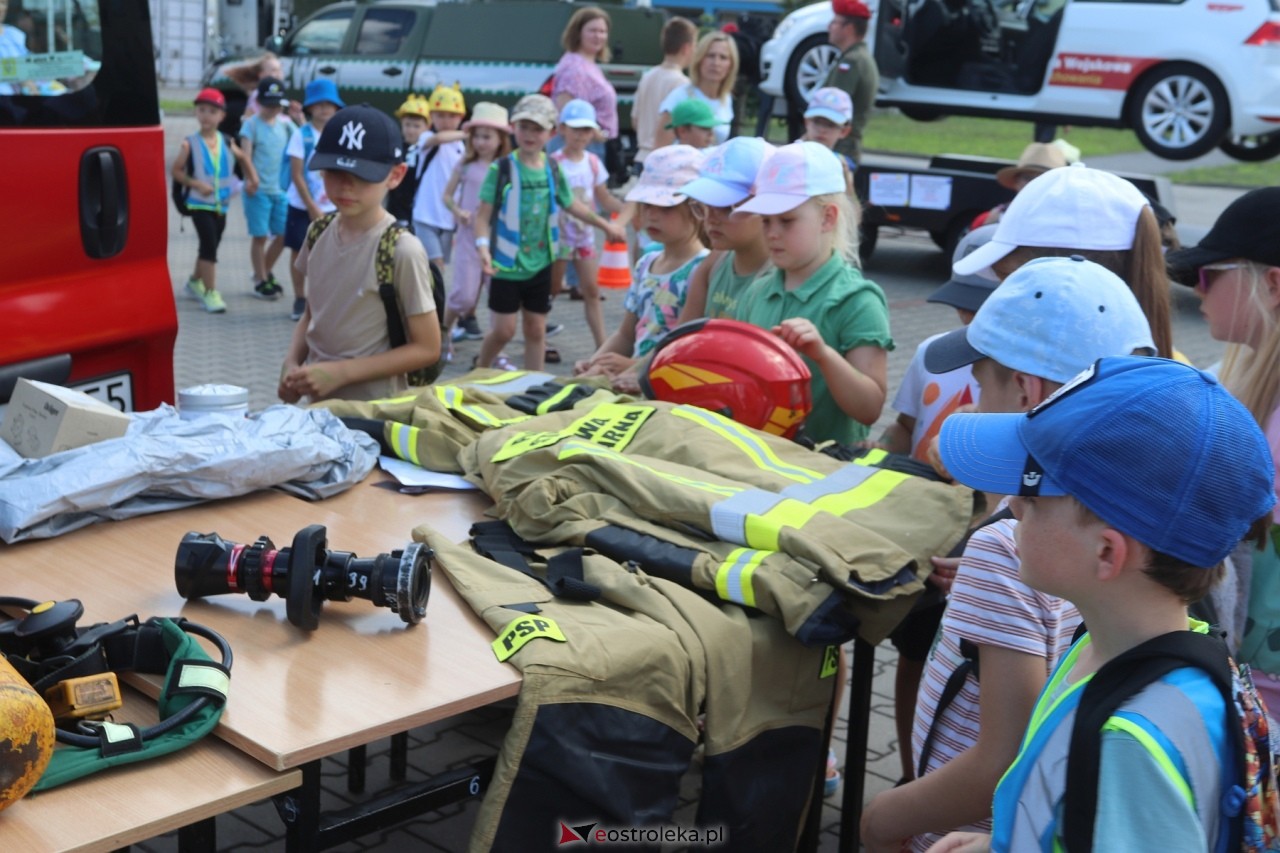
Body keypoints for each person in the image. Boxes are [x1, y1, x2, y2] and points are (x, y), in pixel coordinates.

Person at [860, 256, 1157, 851]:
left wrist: (883, 819)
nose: (973, 397)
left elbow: (999, 759)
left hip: (958, 833)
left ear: (1024, 389)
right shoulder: (1121, 520)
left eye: (981, 380)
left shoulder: (1005, 546)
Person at [929, 355, 1276, 853]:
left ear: (1107, 553)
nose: (1014, 504)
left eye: (1034, 495)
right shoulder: (1114, 646)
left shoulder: (1130, 750)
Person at [1167, 187, 1280, 709]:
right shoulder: (1234, 382)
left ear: (1273, 284)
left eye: (1209, 275)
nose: (1197, 289)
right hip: (1246, 690)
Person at [730, 141, 891, 445]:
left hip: (824, 464)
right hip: (756, 453)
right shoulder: (757, 291)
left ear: (827, 218)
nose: (772, 233)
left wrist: (823, 355)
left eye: (786, 221)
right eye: (766, 221)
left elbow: (869, 409)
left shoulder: (858, 300)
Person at [278, 104, 440, 404]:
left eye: (362, 175)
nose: (346, 186)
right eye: (335, 171)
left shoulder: (402, 250)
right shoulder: (318, 232)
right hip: (320, 409)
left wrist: (342, 373)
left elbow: (427, 348)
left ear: (396, 175)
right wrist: (291, 363)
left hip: (376, 412)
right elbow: (313, 313)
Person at [951, 163, 1176, 360]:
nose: (1001, 295)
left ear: (1066, 282)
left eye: (1012, 280)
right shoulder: (1165, 372)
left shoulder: (1034, 377)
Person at [472, 94, 625, 371]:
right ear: (513, 128)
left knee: (536, 330)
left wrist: (606, 226)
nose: (529, 135)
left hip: (542, 262)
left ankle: (535, 384)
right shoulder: (502, 168)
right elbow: (481, 217)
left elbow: (572, 204)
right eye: (524, 127)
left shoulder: (552, 168)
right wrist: (482, 247)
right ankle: (481, 366)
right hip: (506, 265)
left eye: (537, 129)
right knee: (504, 331)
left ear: (551, 132)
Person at [574, 144, 707, 381]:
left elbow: (686, 349)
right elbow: (626, 335)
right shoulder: (646, 262)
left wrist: (634, 367)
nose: (652, 215)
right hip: (630, 381)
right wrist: (595, 361)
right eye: (646, 205)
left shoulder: (703, 269)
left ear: (697, 208)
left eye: (665, 207)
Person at [172, 87, 258, 314]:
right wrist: (196, 184)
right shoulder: (189, 143)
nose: (206, 116)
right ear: (196, 113)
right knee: (209, 247)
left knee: (210, 245)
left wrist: (253, 178)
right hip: (199, 205)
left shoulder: (227, 141)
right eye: (202, 110)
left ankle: (194, 281)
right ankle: (210, 293)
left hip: (221, 205)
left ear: (222, 116)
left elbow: (244, 158)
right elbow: (176, 171)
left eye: (212, 111)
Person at [441, 102, 512, 362]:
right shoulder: (465, 164)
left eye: (487, 137)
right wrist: (458, 211)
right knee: (464, 296)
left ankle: (496, 350)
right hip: (469, 237)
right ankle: (443, 334)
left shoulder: (507, 167)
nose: (481, 142)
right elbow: (447, 196)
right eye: (477, 136)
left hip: (500, 241)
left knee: (498, 298)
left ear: (501, 139)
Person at [549, 99, 624, 348]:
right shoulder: (553, 162)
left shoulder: (592, 162)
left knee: (591, 291)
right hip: (558, 239)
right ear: (562, 129)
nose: (580, 135)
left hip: (585, 238)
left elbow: (604, 197)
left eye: (586, 130)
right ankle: (539, 337)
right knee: (551, 290)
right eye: (575, 129)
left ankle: (601, 346)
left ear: (593, 133)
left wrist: (629, 211)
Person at [676, 137, 775, 323]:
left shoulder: (780, 277)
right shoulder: (714, 263)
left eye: (726, 206)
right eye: (705, 205)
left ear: (765, 206)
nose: (710, 218)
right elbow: (682, 335)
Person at [283, 78, 344, 321]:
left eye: (329, 103)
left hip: (332, 207)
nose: (324, 108)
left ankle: (323, 301)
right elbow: (296, 174)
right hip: (302, 206)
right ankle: (300, 298)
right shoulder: (302, 135)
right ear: (309, 107)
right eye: (318, 103)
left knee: (331, 255)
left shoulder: (341, 135)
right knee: (299, 252)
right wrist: (311, 206)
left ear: (336, 107)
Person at [238, 76, 294, 301]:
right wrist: (251, 179)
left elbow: (299, 146)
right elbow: (245, 156)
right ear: (259, 102)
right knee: (260, 237)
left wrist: (300, 118)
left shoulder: (286, 125)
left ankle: (263, 272)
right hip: (258, 191)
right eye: (268, 104)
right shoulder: (251, 125)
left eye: (277, 105)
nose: (273, 109)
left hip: (279, 191)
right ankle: (261, 280)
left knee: (283, 235)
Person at [411, 84, 467, 275]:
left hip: (448, 219)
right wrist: (469, 133)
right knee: (435, 264)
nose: (446, 120)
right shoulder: (427, 137)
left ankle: (431, 293)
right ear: (431, 117)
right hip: (425, 215)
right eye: (440, 115)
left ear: (461, 117)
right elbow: (439, 138)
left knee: (436, 269)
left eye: (452, 116)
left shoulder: (462, 147)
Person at [550, 6, 617, 157]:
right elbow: (566, 108)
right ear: (578, 33)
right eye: (592, 30)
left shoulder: (589, 64)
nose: (598, 36)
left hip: (591, 144)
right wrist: (595, 133)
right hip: (581, 146)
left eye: (602, 31)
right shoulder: (574, 67)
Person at [656, 31, 739, 148]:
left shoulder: (726, 99)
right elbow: (660, 149)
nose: (716, 63)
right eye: (710, 56)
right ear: (699, 59)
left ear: (731, 65)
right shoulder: (680, 96)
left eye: (723, 57)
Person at [633, 16, 698, 165]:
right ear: (686, 48)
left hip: (641, 156)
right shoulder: (683, 84)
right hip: (665, 160)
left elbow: (635, 120)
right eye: (695, 45)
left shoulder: (647, 76)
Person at [823, 0, 878, 165]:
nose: (829, 27)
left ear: (849, 28)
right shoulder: (859, 57)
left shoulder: (851, 62)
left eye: (834, 22)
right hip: (844, 148)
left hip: (839, 149)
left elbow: (831, 110)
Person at [970, 141, 1068, 229]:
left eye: (1044, 179)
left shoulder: (1069, 222)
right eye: (1028, 178)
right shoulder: (988, 219)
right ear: (1016, 181)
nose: (1034, 184)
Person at [386, 94, 431, 227]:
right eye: (407, 125)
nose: (411, 130)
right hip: (396, 207)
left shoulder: (427, 149)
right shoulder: (396, 147)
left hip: (418, 207)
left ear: (427, 127)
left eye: (416, 126)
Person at [801, 87, 856, 193]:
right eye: (817, 122)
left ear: (844, 131)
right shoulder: (790, 155)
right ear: (807, 122)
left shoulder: (841, 165)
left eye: (830, 125)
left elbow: (850, 202)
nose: (822, 130)